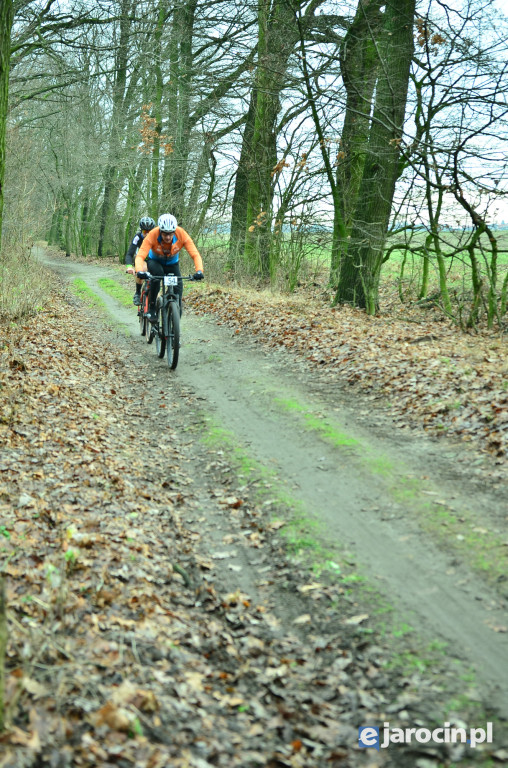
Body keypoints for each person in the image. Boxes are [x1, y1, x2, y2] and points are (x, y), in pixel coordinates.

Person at [135, 213, 204, 322]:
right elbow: (140, 255)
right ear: (160, 231)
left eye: (170, 234)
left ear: (174, 231)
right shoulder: (152, 234)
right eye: (165, 234)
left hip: (172, 264)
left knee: (178, 290)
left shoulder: (181, 234)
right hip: (155, 261)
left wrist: (199, 271)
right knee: (157, 277)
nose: (168, 237)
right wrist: (139, 270)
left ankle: (174, 325)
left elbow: (195, 254)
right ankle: (152, 308)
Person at [125, 216, 156, 305]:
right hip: (142, 259)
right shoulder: (138, 237)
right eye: (144, 232)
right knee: (142, 269)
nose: (147, 234)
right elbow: (130, 253)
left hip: (154, 260)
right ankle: (138, 293)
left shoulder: (157, 237)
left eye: (149, 232)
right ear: (141, 231)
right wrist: (129, 267)